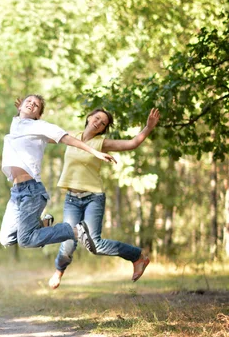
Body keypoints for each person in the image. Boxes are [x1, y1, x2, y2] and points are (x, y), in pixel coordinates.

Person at [49, 108, 161, 289]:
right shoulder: (70, 135)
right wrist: (24, 116)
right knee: (68, 241)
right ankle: (59, 271)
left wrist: (148, 127)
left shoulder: (101, 143)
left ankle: (138, 256)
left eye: (103, 123)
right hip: (72, 199)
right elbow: (43, 134)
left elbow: (132, 144)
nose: (99, 123)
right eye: (97, 118)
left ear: (103, 129)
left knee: (95, 246)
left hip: (93, 197)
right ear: (89, 117)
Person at [0, 95, 116, 252]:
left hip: (31, 191)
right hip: (16, 192)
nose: (32, 105)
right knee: (6, 238)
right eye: (29, 102)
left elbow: (67, 139)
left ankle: (76, 231)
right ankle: (43, 225)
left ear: (38, 115)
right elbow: (22, 114)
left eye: (36, 105)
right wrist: (24, 108)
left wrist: (94, 152)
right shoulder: (16, 123)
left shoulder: (40, 126)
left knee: (25, 240)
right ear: (20, 107)